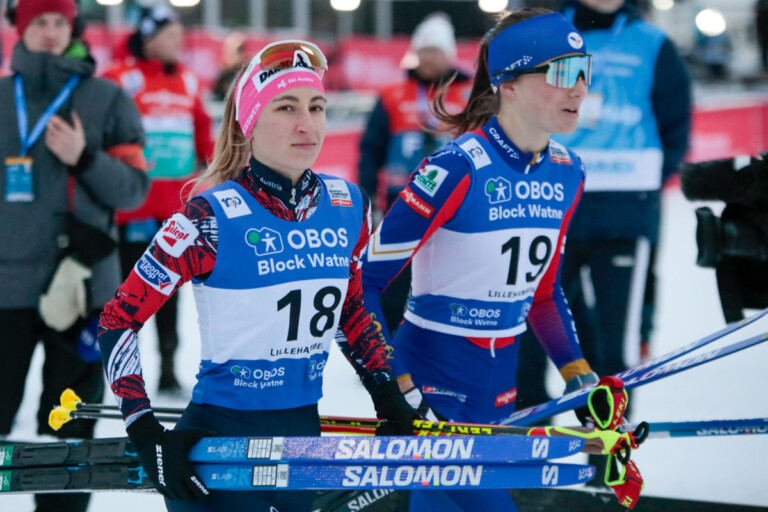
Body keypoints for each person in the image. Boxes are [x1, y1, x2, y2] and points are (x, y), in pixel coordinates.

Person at [97, 40, 419, 512]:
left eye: (317, 106)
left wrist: (385, 392)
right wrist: (145, 430)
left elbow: (349, 311)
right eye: (286, 107)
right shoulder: (207, 219)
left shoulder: (348, 206)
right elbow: (116, 322)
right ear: (250, 124)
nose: (307, 124)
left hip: (302, 447)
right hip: (217, 451)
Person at [362, 9, 603, 511]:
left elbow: (542, 293)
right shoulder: (456, 167)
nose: (578, 88)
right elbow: (360, 285)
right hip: (432, 387)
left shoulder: (568, 172)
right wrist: (398, 384)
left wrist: (578, 373)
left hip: (499, 390)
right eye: (561, 72)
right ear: (509, 83)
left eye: (584, 69)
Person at [0, 0, 149, 511]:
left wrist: (84, 159)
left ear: (73, 27)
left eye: (58, 21)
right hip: (6, 293)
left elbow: (133, 190)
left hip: (85, 293)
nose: (49, 32)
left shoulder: (107, 100)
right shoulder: (1, 100)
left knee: (71, 435)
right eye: (37, 21)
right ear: (19, 29)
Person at [516, 0, 691, 413]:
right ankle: (527, 435)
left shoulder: (652, 42)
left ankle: (604, 446)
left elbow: (675, 119)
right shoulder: (550, 33)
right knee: (533, 323)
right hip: (552, 199)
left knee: (617, 337)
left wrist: (647, 178)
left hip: (624, 207)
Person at [102, 5, 215, 394]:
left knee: (168, 297)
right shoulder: (120, 78)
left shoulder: (187, 80)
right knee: (125, 297)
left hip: (174, 212)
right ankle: (118, 374)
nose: (178, 42)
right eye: (170, 34)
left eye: (181, 35)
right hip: (130, 210)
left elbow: (202, 135)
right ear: (148, 37)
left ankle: (167, 368)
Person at [358, 12, 472, 336]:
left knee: (449, 277)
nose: (428, 57)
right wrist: (368, 196)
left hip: (456, 203)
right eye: (423, 50)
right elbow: (371, 149)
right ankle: (386, 350)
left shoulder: (469, 95)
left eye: (435, 51)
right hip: (402, 199)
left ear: (449, 54)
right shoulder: (393, 94)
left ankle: (443, 345)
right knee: (394, 279)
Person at [211, 31, 247, 101]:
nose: (227, 56)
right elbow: (215, 93)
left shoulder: (245, 74)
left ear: (240, 54)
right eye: (226, 52)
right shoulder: (223, 74)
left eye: (231, 54)